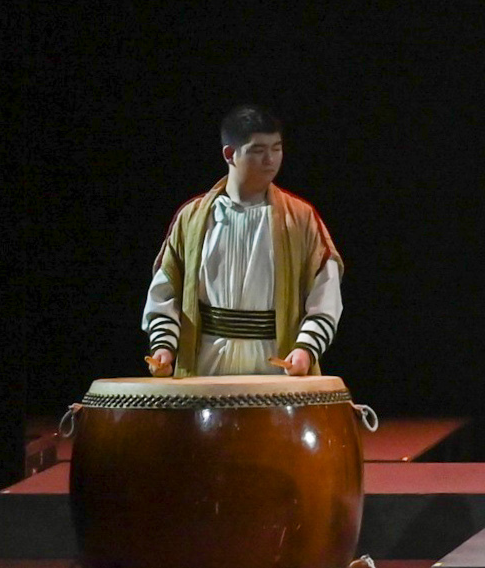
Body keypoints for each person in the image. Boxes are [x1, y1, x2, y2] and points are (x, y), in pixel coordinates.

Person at [140, 105, 345, 379]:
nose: (270, 159)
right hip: (206, 362)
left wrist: (306, 348)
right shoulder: (193, 218)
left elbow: (325, 291)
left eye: (276, 148)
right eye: (258, 150)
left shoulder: (300, 218)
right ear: (229, 154)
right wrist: (164, 345)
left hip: (274, 362)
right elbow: (166, 291)